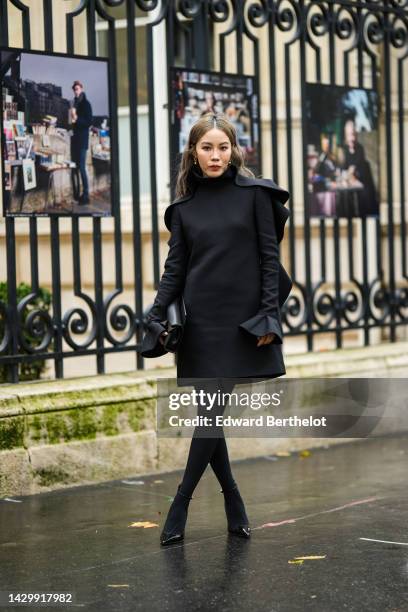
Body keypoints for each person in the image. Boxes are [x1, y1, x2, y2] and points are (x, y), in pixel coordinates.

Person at [137, 112, 292, 546]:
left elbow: (268, 260)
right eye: (207, 147)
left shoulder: (256, 196)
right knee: (211, 415)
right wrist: (156, 310)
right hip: (202, 322)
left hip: (242, 323)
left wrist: (268, 316)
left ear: (234, 150)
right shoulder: (184, 210)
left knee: (208, 414)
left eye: (223, 147)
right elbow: (176, 269)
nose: (215, 155)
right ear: (193, 152)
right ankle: (233, 499)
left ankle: (180, 504)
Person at [70, 80, 93, 205]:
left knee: (82, 168)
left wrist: (77, 118)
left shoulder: (86, 104)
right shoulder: (75, 103)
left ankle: (86, 195)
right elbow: (74, 121)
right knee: (77, 168)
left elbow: (89, 121)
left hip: (83, 140)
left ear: (82, 89)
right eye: (74, 89)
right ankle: (78, 194)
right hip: (76, 139)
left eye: (77, 89)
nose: (76, 91)